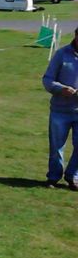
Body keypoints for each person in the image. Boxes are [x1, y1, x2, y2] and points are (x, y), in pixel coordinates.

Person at [42, 26, 78, 191]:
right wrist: (60, 88)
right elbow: (47, 79)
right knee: (56, 147)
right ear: (76, 36)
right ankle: (53, 177)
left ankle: (73, 176)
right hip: (60, 111)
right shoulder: (61, 54)